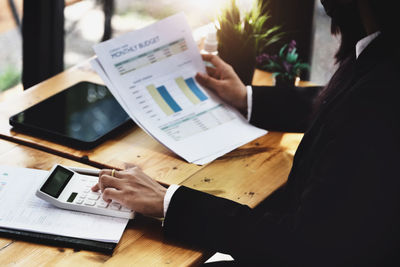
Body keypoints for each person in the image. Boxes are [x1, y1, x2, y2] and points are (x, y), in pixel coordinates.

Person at [92, 0, 400, 265]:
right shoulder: (381, 60)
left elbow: (304, 247)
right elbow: (341, 102)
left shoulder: (380, 96)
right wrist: (247, 98)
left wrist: (169, 201)